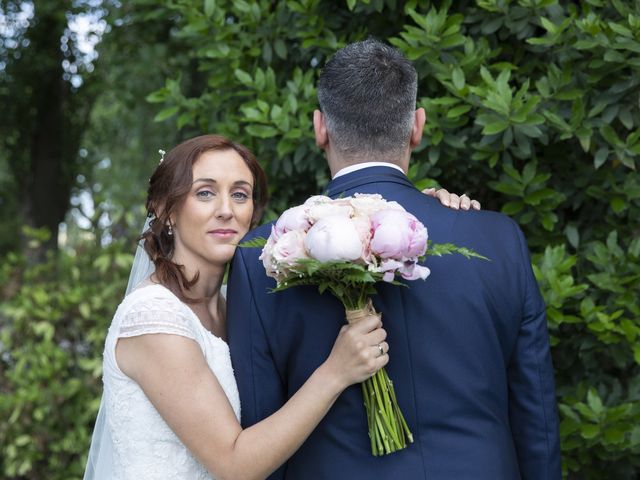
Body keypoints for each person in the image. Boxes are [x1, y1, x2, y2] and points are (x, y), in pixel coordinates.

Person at [227, 39, 561, 479]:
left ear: (319, 128)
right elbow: (535, 416)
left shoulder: (262, 257)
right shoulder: (498, 239)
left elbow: (260, 427)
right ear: (417, 126)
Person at [83, 134, 468, 479]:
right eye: (205, 193)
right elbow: (233, 465)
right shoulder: (154, 318)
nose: (226, 210)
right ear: (166, 210)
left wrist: (417, 209)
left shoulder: (236, 303)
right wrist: (335, 372)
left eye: (239, 194)